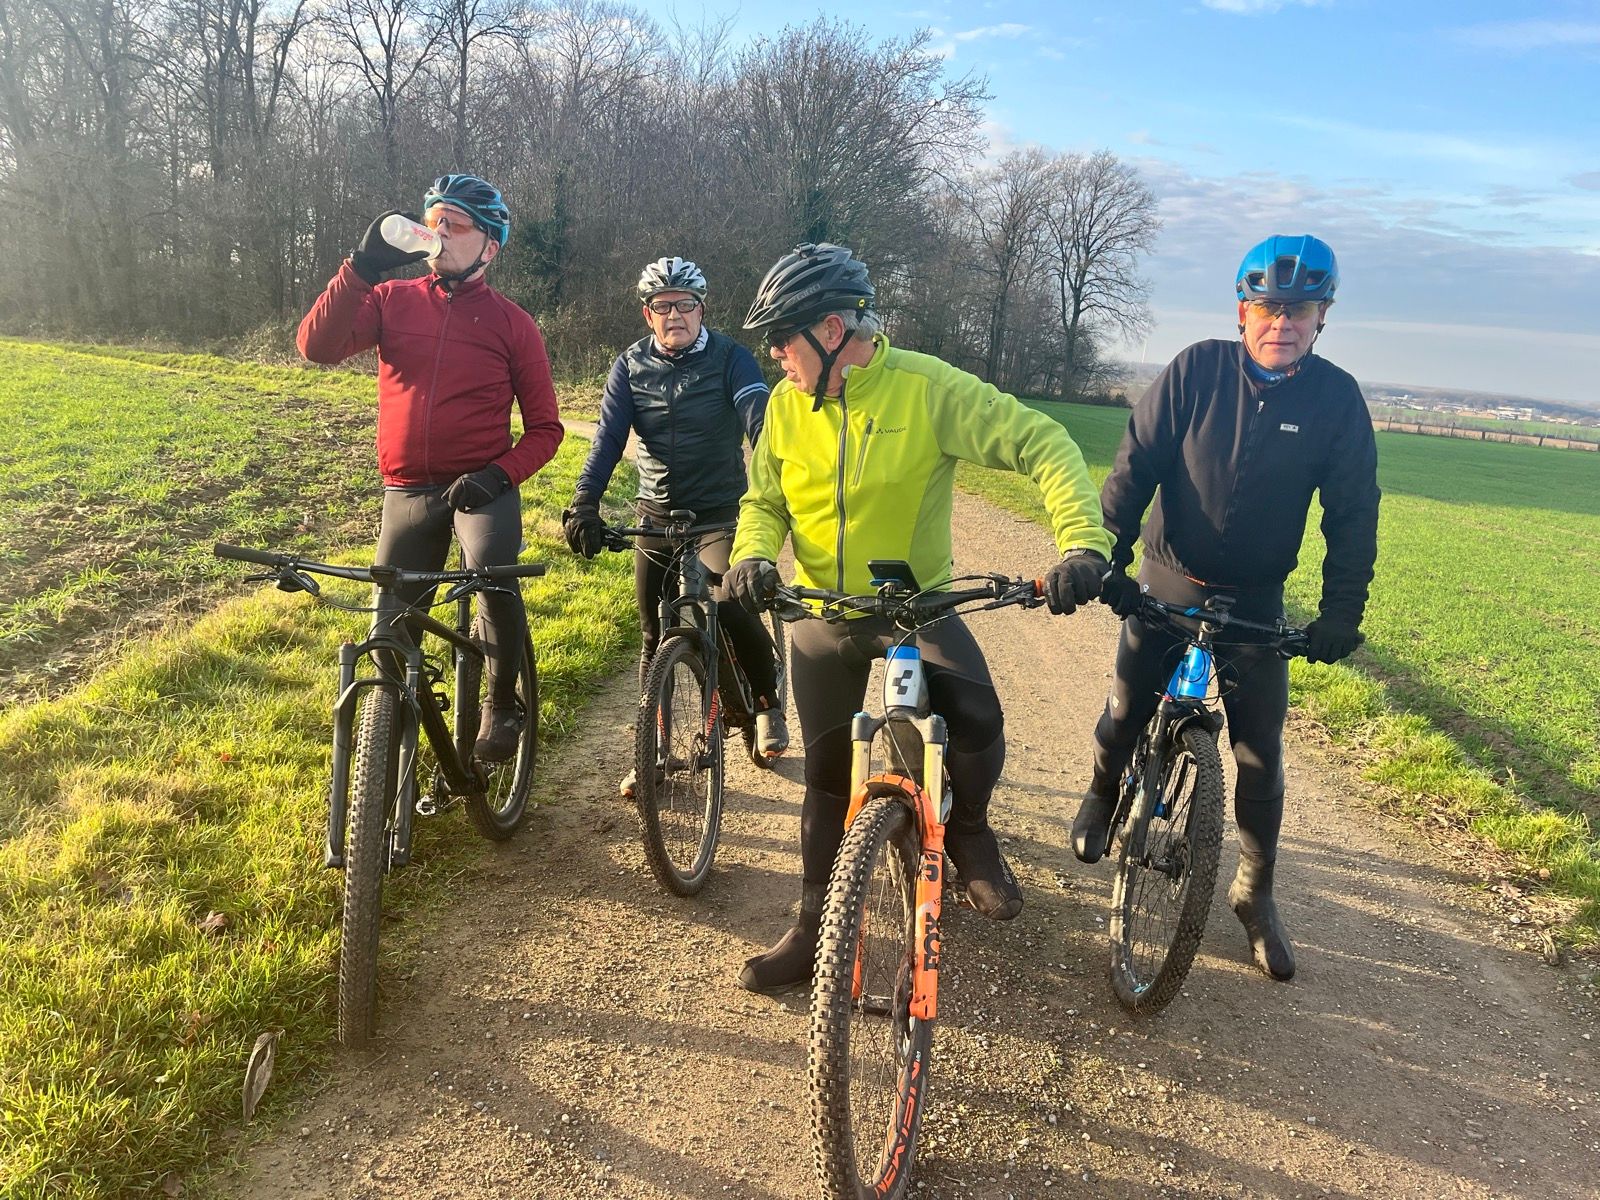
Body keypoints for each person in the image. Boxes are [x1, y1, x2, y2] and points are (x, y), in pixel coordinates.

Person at [726, 242, 1114, 992]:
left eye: (782, 336)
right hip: (823, 611)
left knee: (978, 717)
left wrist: (1081, 544)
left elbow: (1043, 441)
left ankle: (969, 832)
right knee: (827, 778)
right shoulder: (784, 406)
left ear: (833, 329)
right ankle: (810, 928)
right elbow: (763, 501)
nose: (774, 353)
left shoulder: (926, 388)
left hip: (915, 607)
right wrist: (753, 555)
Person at [1071, 233, 1381, 982]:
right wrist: (1103, 559)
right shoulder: (1196, 371)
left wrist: (1341, 613)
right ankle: (1103, 791)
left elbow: (1352, 514)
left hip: (1256, 602)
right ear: (1244, 310)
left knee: (1260, 754)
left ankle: (1254, 892)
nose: (1283, 323)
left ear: (1322, 317)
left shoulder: (1336, 400)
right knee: (1124, 711)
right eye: (1269, 308)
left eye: (1299, 311)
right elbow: (1133, 469)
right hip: (1168, 581)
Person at [297, 173, 563, 762]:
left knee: (493, 573)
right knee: (391, 633)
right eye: (434, 221)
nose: (439, 232)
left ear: (489, 247)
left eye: (455, 224)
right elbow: (316, 347)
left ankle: (502, 702)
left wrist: (498, 476)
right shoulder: (392, 299)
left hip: (480, 490)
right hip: (407, 490)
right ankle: (385, 763)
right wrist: (361, 267)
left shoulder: (513, 324)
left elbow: (547, 429)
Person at [561, 256, 787, 796]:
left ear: (701, 310)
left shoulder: (732, 358)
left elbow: (758, 420)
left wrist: (780, 477)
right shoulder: (629, 366)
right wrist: (585, 501)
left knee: (731, 600)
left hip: (719, 514)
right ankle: (654, 750)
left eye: (685, 304)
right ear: (648, 315)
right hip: (656, 516)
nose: (674, 315)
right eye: (662, 306)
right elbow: (608, 440)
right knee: (651, 633)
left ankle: (765, 703)